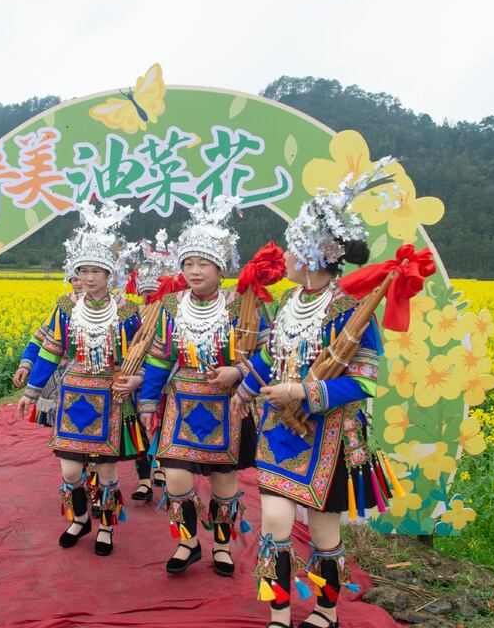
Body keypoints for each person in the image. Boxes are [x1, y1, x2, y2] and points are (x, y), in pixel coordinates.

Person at [233, 161, 395, 628]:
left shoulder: (351, 310)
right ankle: (279, 614)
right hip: (279, 433)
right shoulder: (289, 302)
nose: (285, 256)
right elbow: (272, 355)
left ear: (313, 254)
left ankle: (326, 610)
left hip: (330, 435)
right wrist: (246, 387)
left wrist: (302, 390)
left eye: (292, 248)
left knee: (324, 534)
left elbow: (363, 381)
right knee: (274, 525)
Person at [117, 196, 265, 578]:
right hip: (180, 404)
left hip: (227, 406)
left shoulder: (242, 306)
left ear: (220, 267)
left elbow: (269, 354)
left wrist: (239, 372)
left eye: (203, 264)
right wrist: (148, 402)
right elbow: (159, 358)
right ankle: (188, 542)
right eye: (188, 264)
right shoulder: (170, 306)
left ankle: (221, 546)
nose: (194, 271)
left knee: (223, 483)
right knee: (177, 478)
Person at [16, 201, 142, 556]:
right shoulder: (66, 307)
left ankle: (106, 526)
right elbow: (50, 350)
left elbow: (141, 356)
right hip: (73, 395)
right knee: (71, 471)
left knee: (106, 470)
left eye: (96, 271)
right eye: (83, 270)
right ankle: (80, 518)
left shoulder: (128, 312)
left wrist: (137, 380)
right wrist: (32, 391)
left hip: (111, 396)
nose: (88, 277)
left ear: (109, 274)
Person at [123, 230, 177, 503]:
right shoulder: (135, 314)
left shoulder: (172, 314)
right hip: (135, 380)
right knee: (138, 429)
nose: (149, 298)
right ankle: (144, 479)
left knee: (164, 427)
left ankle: (164, 473)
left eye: (153, 293)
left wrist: (147, 377)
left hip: (163, 382)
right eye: (145, 293)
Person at [13, 271, 83, 427]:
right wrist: (26, 364)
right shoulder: (65, 305)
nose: (80, 283)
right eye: (75, 279)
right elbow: (42, 338)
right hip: (66, 367)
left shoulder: (117, 306)